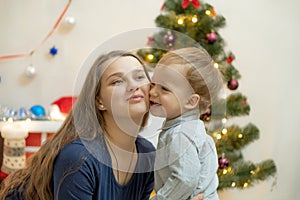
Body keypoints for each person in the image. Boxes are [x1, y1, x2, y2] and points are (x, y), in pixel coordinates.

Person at [0, 50, 155, 199]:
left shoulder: (147, 155)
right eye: (117, 81)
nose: (134, 85)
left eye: (140, 77)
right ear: (99, 101)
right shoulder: (79, 158)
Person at [149, 47, 223, 200]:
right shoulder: (193, 129)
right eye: (153, 84)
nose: (152, 92)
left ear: (191, 101)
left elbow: (185, 179)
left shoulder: (181, 133)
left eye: (164, 88)